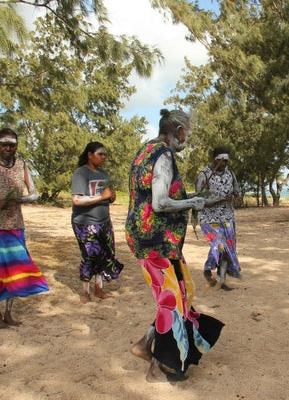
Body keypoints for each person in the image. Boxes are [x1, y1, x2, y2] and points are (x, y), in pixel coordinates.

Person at [125, 109, 224, 382]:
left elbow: (163, 195)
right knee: (171, 302)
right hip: (154, 241)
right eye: (187, 134)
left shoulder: (145, 150)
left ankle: (145, 344)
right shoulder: (163, 155)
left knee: (184, 293)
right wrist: (192, 203)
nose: (186, 140)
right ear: (178, 131)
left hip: (159, 241)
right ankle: (159, 367)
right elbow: (159, 203)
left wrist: (194, 197)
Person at [0, 128, 49, 329]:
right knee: (1, 269)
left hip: (15, 225)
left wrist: (17, 199)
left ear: (17, 146)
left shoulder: (22, 165)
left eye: (12, 144)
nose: (8, 148)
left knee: (14, 270)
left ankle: (9, 313)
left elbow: (34, 194)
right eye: (4, 144)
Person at [71, 142, 123, 304]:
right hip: (85, 223)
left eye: (105, 154)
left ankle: (98, 289)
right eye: (100, 154)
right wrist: (102, 197)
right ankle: (85, 292)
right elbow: (77, 200)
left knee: (104, 255)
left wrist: (111, 197)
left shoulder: (103, 174)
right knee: (89, 257)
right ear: (89, 154)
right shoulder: (81, 174)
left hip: (104, 222)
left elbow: (109, 197)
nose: (103, 157)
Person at [195, 145, 242, 290]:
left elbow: (237, 190)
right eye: (220, 161)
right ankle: (207, 269)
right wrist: (221, 199)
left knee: (228, 249)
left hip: (227, 217)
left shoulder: (230, 174)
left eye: (226, 161)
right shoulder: (204, 175)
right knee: (219, 245)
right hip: (209, 219)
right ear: (213, 159)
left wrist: (234, 195)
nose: (223, 164)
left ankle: (222, 281)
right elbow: (200, 200)